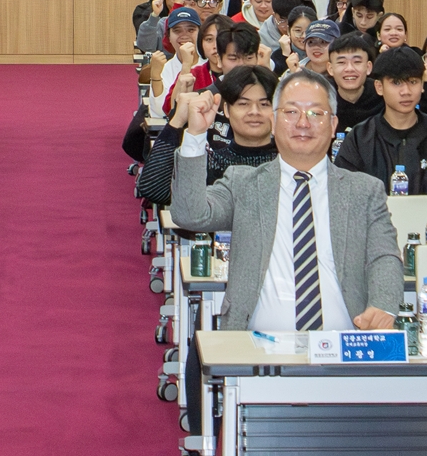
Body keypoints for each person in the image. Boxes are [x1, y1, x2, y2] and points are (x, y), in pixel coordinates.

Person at [169, 67, 401, 333]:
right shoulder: (243, 184)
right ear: (274, 120)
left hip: (342, 344)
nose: (303, 123)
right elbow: (189, 214)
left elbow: (384, 256)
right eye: (291, 112)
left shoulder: (365, 191)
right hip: (254, 347)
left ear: (333, 125)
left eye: (316, 113)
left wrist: (383, 306)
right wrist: (195, 135)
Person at [334, 47, 427, 196]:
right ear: (379, 87)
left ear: (422, 85)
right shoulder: (360, 137)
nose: (406, 91)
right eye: (396, 83)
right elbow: (344, 194)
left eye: (413, 82)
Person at [135, 65, 278, 206]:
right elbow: (154, 190)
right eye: (243, 104)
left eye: (264, 104)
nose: (254, 111)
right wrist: (178, 120)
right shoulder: (210, 162)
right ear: (226, 110)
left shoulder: (286, 163)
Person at [326, 31, 381, 133]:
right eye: (341, 62)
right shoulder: (322, 98)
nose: (349, 69)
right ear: (330, 68)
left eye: (357, 62)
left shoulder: (382, 98)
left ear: (368, 67)